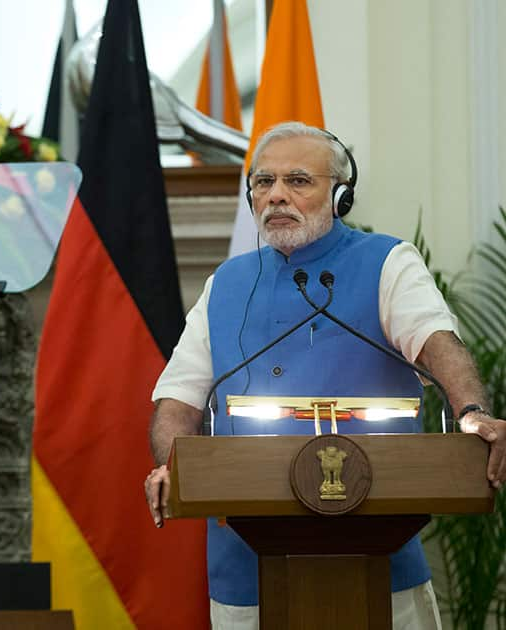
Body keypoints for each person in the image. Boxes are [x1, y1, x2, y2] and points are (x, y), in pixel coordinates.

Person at [143, 121, 506, 630]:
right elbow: (177, 402)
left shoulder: (386, 262)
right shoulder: (226, 283)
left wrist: (471, 411)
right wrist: (170, 466)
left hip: (380, 567)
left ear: (340, 197)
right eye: (263, 183)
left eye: (297, 181)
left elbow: (436, 342)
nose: (276, 196)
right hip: (244, 569)